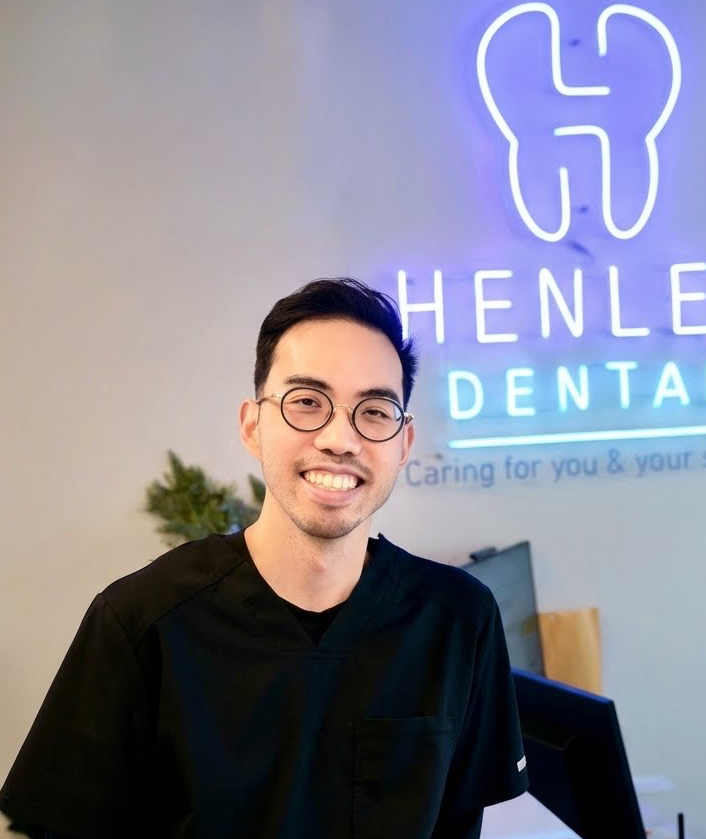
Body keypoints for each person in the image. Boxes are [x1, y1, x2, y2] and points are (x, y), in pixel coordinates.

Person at [0, 278, 528, 838]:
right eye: (307, 403)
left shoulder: (459, 622)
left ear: (403, 444)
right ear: (252, 427)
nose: (340, 439)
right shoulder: (142, 622)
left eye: (375, 411)